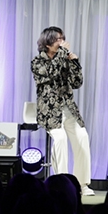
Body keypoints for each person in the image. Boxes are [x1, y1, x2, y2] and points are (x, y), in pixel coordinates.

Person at [31, 26, 94, 195]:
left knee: (82, 137)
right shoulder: (38, 62)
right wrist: (62, 54)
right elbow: (51, 73)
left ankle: (82, 184)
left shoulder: (63, 58)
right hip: (50, 112)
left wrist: (74, 63)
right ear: (47, 43)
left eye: (62, 38)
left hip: (68, 109)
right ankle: (62, 183)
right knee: (60, 140)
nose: (61, 42)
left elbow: (77, 83)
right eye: (57, 39)